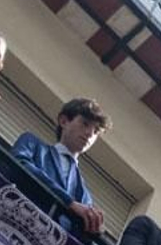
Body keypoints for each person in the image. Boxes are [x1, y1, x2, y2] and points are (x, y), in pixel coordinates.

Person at [12, 98, 110, 236]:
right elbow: (19, 164)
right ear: (64, 121)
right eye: (85, 124)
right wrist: (69, 202)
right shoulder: (33, 144)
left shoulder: (84, 195)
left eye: (96, 132)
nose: (90, 134)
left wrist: (96, 229)